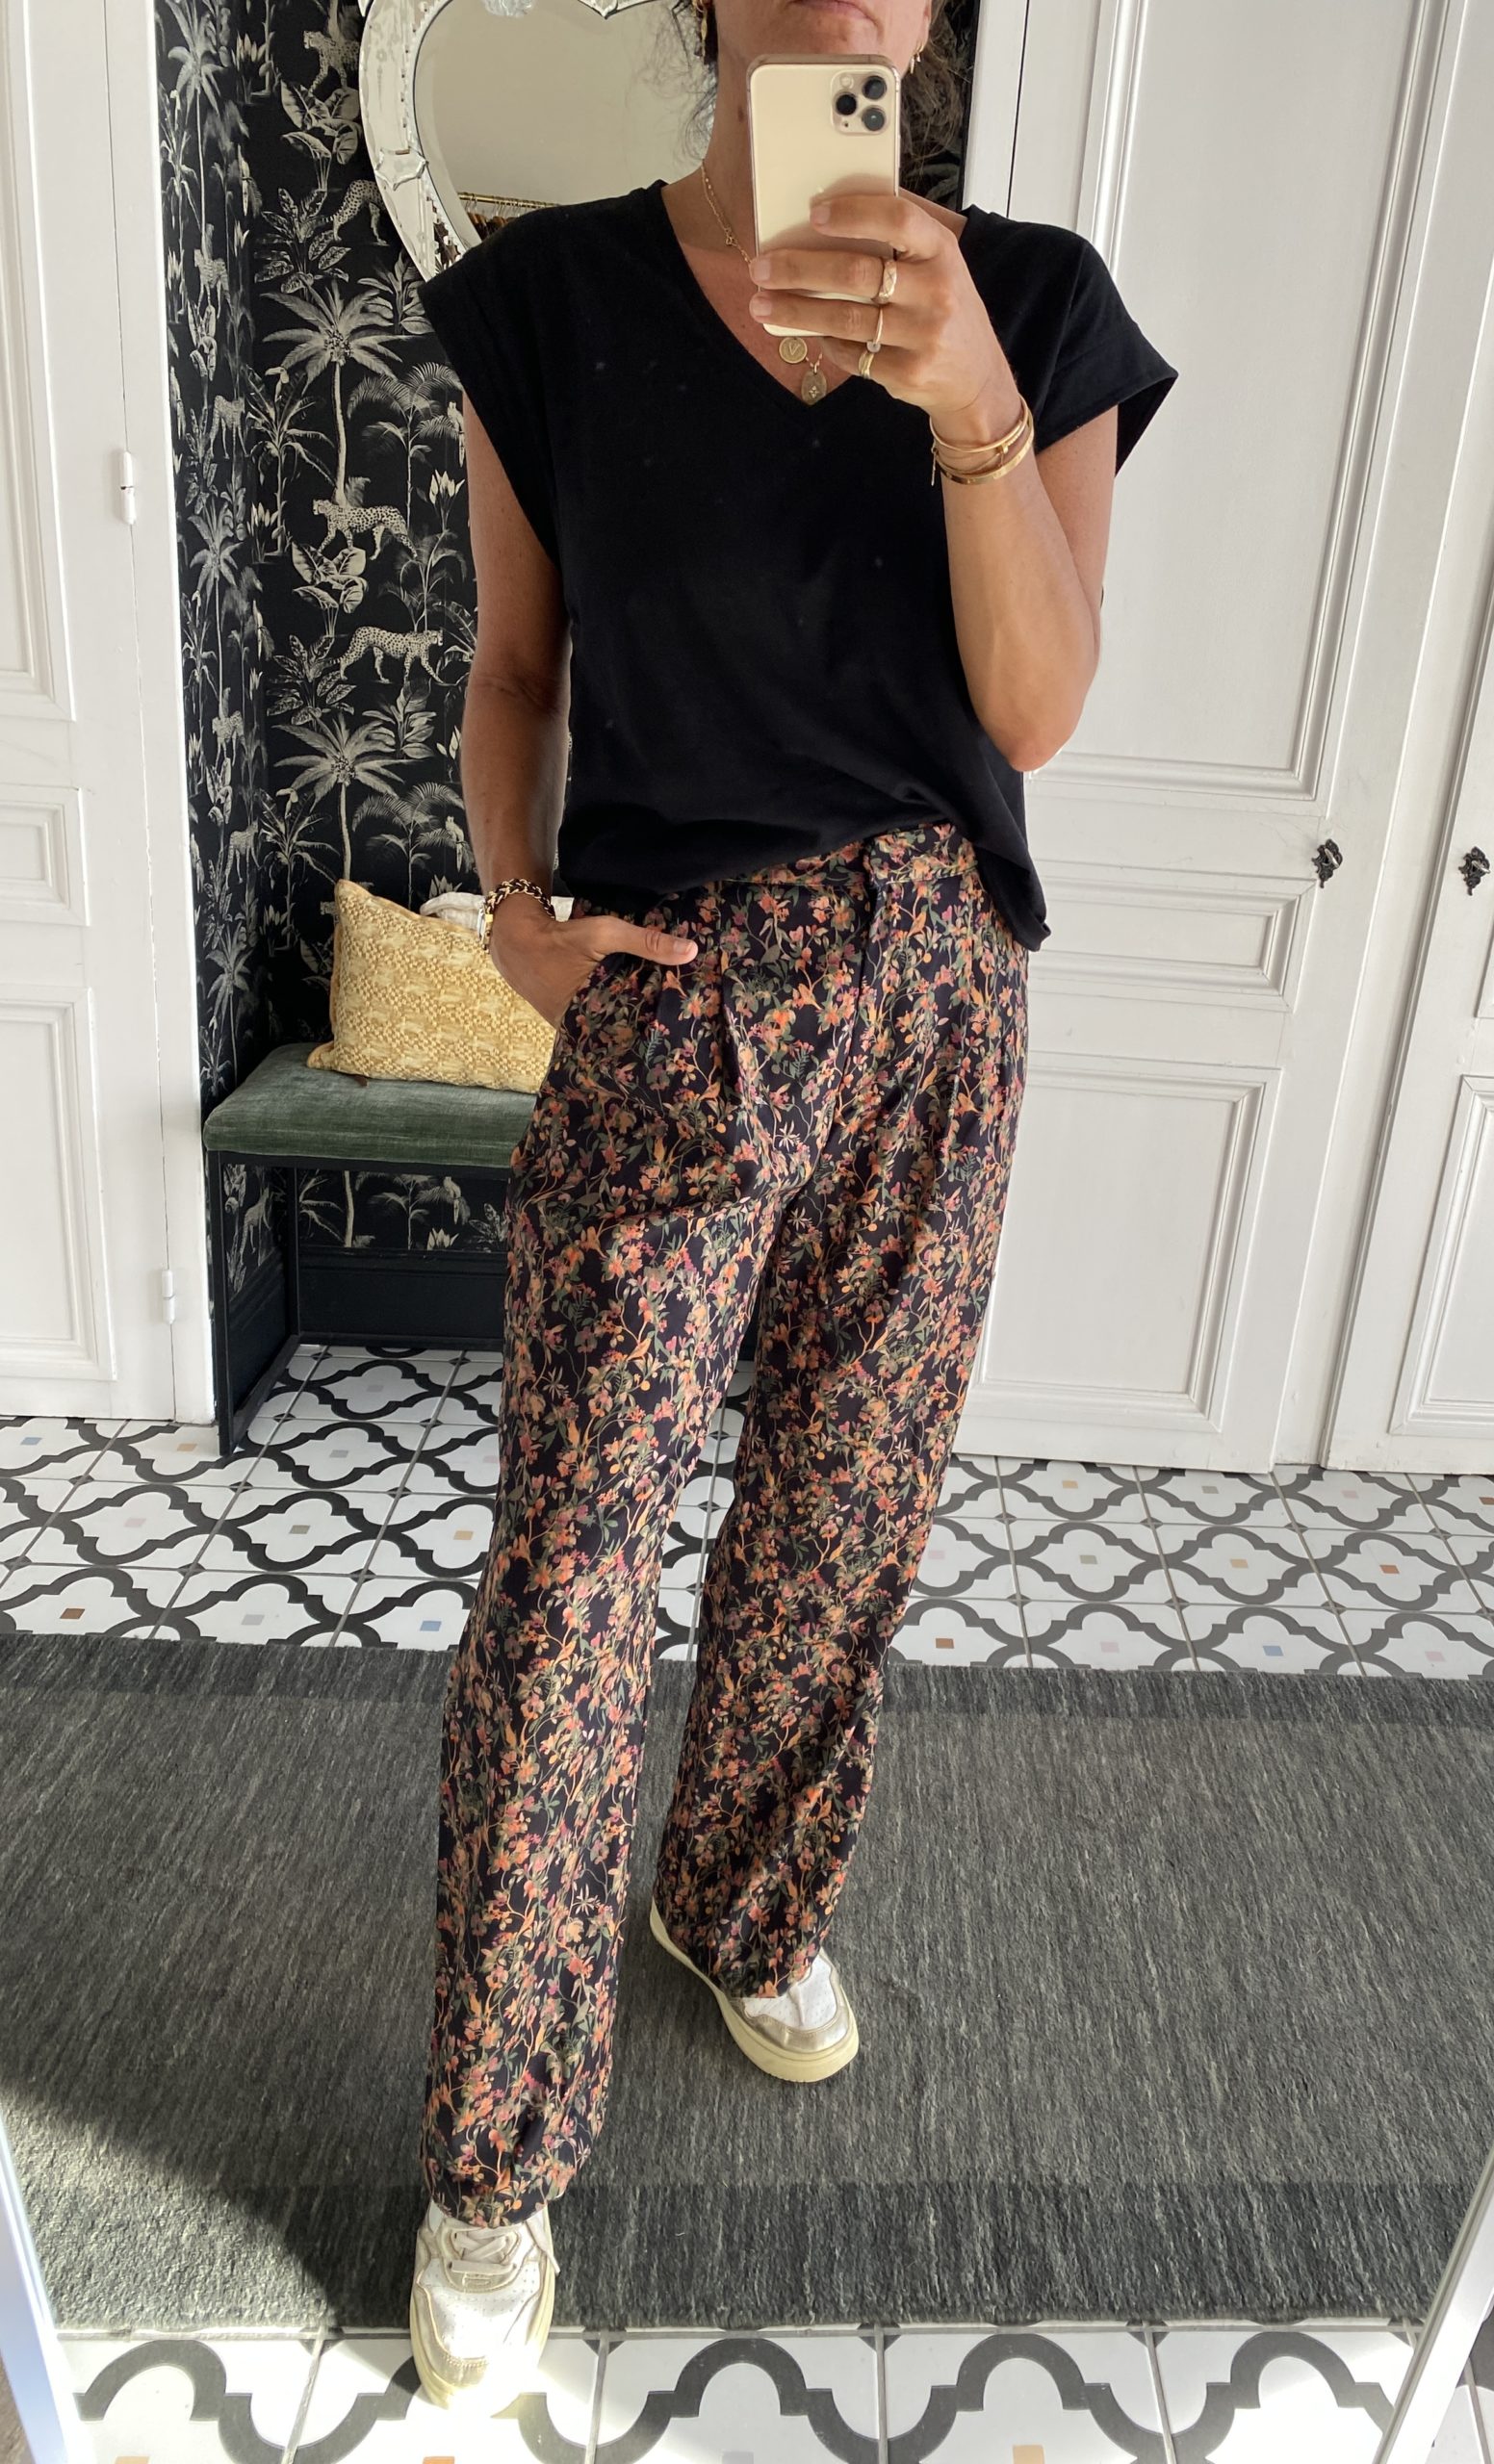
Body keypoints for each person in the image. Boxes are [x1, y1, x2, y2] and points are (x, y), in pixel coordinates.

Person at [405, 0, 1177, 2413]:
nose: (848, 3)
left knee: (839, 1530)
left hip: (939, 1006)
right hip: (672, 995)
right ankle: (493, 2156)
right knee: (571, 1576)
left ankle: (737, 1897)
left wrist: (965, 402)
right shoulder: (547, 304)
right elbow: (511, 664)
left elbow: (1032, 712)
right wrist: (511, 910)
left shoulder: (1029, 302)